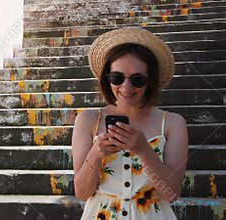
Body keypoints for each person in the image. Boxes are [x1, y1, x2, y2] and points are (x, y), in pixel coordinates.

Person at [71, 27, 188, 220]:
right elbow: (82, 193)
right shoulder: (88, 120)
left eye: (137, 80)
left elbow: (172, 193)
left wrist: (144, 150)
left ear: (150, 81)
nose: (126, 88)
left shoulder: (172, 123)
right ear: (107, 78)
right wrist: (95, 154)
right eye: (117, 77)